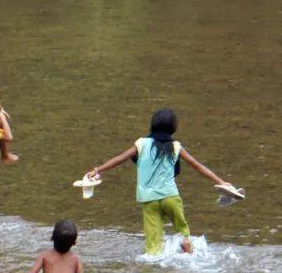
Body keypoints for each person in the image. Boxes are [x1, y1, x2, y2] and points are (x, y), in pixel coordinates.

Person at [88, 107, 236, 256]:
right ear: (173, 128)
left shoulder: (142, 144)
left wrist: (98, 170)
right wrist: (221, 181)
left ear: (153, 125)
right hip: (170, 197)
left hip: (149, 200)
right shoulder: (176, 146)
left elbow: (120, 158)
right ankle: (189, 257)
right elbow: (197, 166)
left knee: (153, 245)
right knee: (183, 233)